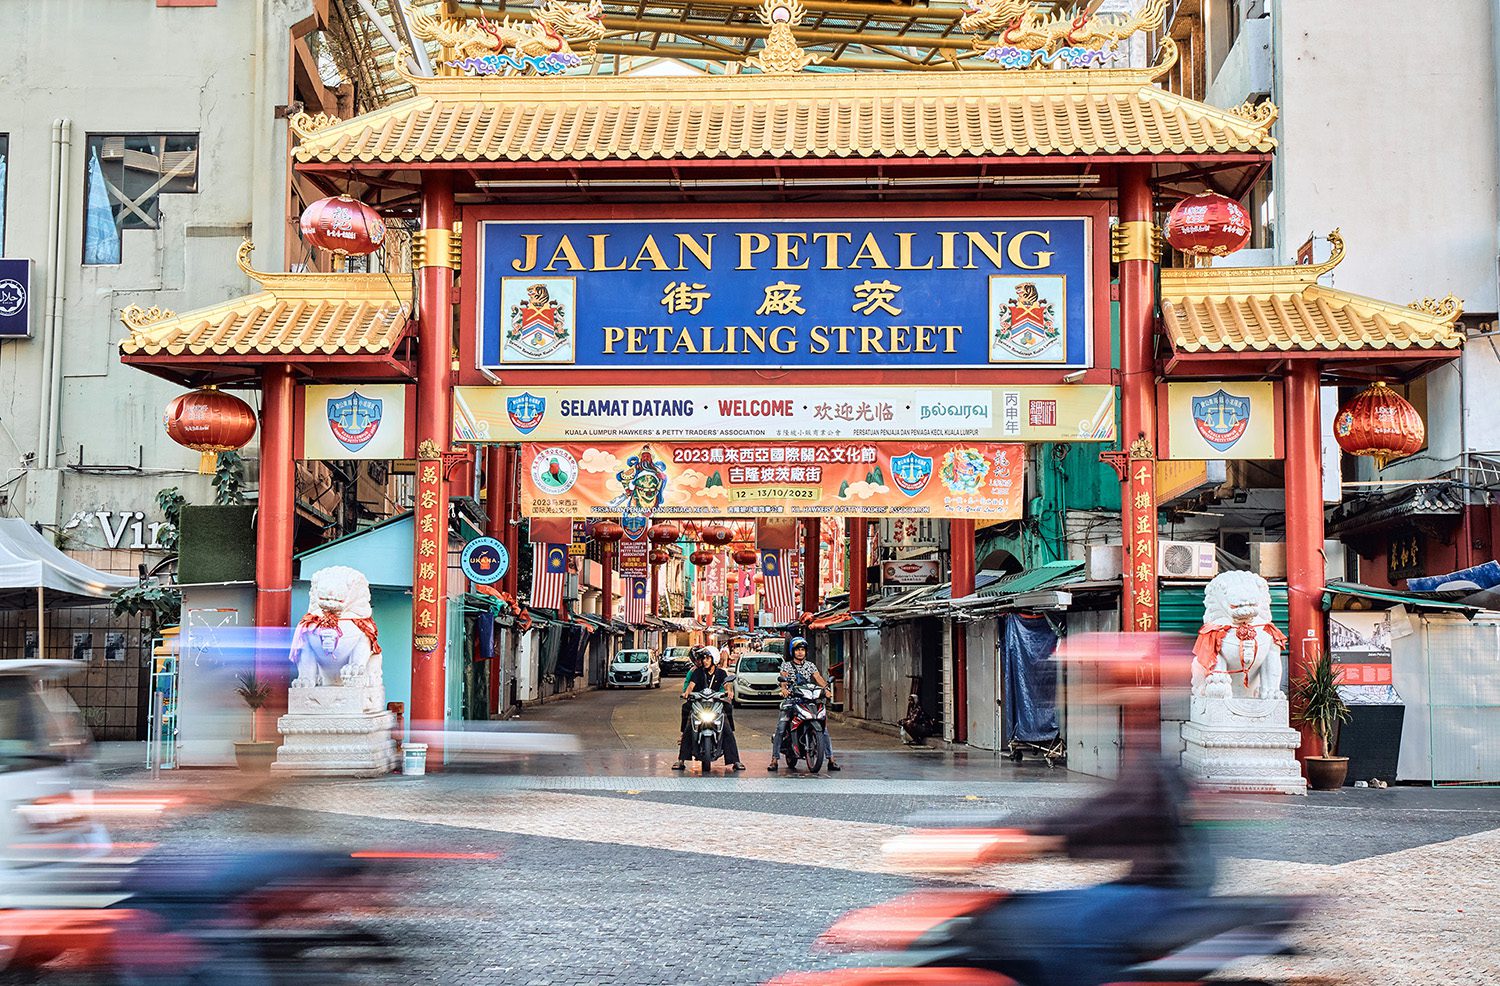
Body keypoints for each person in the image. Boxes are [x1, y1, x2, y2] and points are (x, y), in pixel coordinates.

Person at [768, 636, 840, 772]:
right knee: (781, 728)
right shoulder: (786, 665)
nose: (800, 652)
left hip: (808, 700)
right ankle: (774, 759)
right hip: (792, 700)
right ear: (792, 651)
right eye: (797, 650)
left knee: (823, 729)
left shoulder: (810, 665)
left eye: (802, 650)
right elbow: (783, 679)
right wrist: (784, 689)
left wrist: (827, 689)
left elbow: (818, 678)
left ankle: (831, 759)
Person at [672, 645, 744, 771]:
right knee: (689, 726)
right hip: (699, 704)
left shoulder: (721, 672)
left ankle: (736, 761)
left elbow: (727, 684)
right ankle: (681, 760)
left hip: (716, 704)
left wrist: (729, 692)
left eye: (707, 658)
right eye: (703, 659)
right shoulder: (698, 672)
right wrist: (687, 693)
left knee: (726, 727)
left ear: (713, 659)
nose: (704, 661)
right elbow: (691, 685)